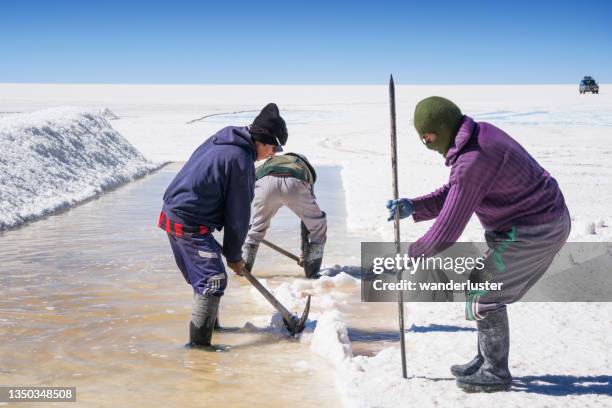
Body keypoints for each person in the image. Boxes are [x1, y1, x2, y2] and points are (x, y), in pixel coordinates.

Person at [386, 96, 570, 392]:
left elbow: (448, 227)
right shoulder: (478, 135)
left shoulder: (473, 160)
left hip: (537, 227)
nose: (428, 144)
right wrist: (414, 206)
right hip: (532, 220)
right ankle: (487, 358)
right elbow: (458, 192)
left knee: (486, 292)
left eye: (429, 137)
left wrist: (412, 254)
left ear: (443, 128)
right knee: (480, 283)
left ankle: (495, 373)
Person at [159, 103, 288, 349]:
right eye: (273, 147)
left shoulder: (224, 138)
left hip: (174, 213)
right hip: (188, 221)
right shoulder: (240, 160)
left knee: (207, 278)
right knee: (213, 279)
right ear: (260, 140)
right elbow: (237, 215)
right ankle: (200, 350)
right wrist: (234, 255)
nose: (273, 153)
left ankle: (211, 328)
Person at [242, 153, 327, 278]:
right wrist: (304, 252)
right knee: (317, 225)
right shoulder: (303, 168)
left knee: (256, 228)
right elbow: (306, 223)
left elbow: (247, 187)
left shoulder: (269, 162)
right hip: (295, 183)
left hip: (265, 184)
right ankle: (312, 273)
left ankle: (243, 270)